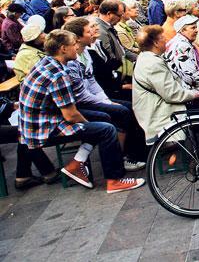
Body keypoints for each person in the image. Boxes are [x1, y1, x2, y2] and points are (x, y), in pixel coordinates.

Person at [18, 30, 145, 193]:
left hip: (43, 119)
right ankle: (115, 180)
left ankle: (77, 163)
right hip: (42, 127)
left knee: (104, 118)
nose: (77, 47)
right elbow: (70, 115)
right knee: (106, 129)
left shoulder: (47, 62)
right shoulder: (58, 75)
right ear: (63, 49)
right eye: (73, 44)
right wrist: (91, 128)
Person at [132, 26, 199, 143]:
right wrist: (195, 94)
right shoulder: (152, 63)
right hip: (160, 112)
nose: (166, 40)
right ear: (155, 43)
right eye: (163, 38)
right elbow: (172, 94)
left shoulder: (147, 57)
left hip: (158, 104)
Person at [13, 17, 47, 82]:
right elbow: (41, 75)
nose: (44, 35)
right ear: (34, 39)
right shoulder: (29, 54)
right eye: (41, 33)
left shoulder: (34, 47)